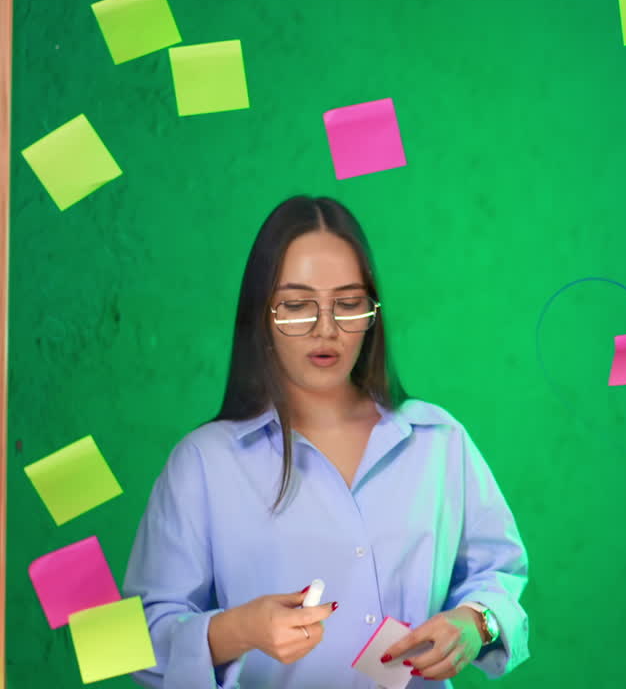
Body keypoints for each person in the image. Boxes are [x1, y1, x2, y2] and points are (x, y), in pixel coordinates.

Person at [123, 196, 529, 689]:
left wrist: (475, 623)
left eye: (349, 303)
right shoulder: (204, 462)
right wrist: (238, 629)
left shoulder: (438, 441)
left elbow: (499, 574)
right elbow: (137, 641)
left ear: (372, 312)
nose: (326, 329)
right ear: (262, 316)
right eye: (297, 305)